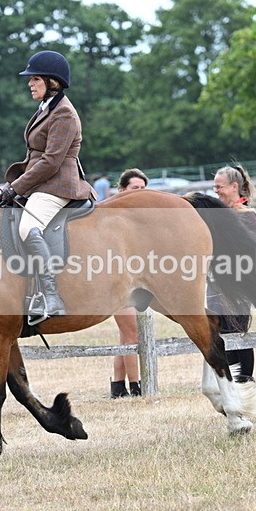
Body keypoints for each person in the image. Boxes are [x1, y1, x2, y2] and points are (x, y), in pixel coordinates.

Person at [0, 50, 96, 321]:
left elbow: (51, 162)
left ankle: (51, 297)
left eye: (36, 79)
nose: (30, 83)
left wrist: (16, 187)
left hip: (58, 185)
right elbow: (35, 155)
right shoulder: (47, 108)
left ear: (52, 81)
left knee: (27, 226)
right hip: (42, 182)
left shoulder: (64, 114)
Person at [207, 164, 256, 383]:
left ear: (234, 187)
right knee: (219, 333)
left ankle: (244, 380)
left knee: (236, 333)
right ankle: (230, 380)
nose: (216, 191)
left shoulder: (247, 216)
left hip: (238, 284)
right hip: (215, 284)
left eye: (219, 187)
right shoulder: (218, 215)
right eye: (214, 187)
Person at [109, 168, 149, 398]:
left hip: (135, 281)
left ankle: (117, 386)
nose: (140, 193)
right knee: (132, 331)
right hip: (117, 281)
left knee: (127, 333)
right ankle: (136, 387)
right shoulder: (114, 217)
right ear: (123, 190)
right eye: (135, 188)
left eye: (144, 189)